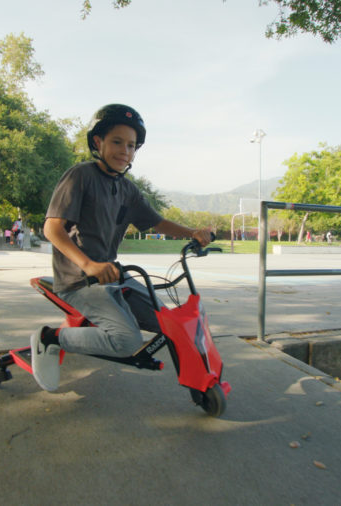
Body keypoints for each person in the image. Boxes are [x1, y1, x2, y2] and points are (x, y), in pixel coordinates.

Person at [30, 104, 213, 391]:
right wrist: (89, 264)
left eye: (131, 145)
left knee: (171, 323)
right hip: (79, 281)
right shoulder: (81, 176)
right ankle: (49, 338)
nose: (125, 151)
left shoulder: (127, 189)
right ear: (97, 142)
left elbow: (157, 222)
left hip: (113, 275)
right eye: (117, 142)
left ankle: (199, 384)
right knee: (128, 340)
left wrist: (193, 233)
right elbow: (51, 228)